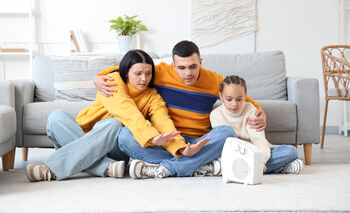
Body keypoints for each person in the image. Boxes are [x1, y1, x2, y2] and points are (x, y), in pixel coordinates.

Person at [94, 40, 267, 179]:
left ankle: (172, 167)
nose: (188, 73)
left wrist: (259, 111)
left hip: (201, 140)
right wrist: (97, 78)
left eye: (193, 66)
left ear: (200, 62)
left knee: (227, 132)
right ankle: (203, 165)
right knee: (125, 136)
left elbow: (240, 96)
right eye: (182, 68)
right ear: (173, 65)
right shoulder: (158, 72)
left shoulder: (214, 80)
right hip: (168, 139)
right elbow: (126, 69)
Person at [26, 49, 189, 181]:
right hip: (83, 134)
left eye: (148, 73)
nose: (144, 79)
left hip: (114, 147)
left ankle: (51, 169)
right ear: (126, 73)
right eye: (138, 73)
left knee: (113, 124)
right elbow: (127, 110)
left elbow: (163, 121)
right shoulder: (112, 81)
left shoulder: (153, 96)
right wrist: (151, 136)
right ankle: (105, 167)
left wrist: (180, 148)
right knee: (56, 117)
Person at [210, 75, 304, 174]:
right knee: (226, 157)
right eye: (229, 99)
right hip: (234, 154)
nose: (234, 104)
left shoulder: (250, 109)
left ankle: (248, 168)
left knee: (291, 151)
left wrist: (261, 160)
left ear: (245, 96)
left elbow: (258, 139)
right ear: (221, 96)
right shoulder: (215, 115)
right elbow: (226, 145)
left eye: (239, 99)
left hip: (255, 152)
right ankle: (276, 167)